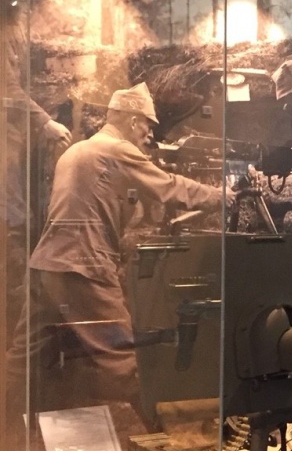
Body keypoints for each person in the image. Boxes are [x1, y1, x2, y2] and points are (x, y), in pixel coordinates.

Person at [12, 82, 225, 413]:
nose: (150, 134)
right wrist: (220, 196)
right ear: (132, 119)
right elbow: (168, 187)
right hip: (84, 266)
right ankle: (163, 433)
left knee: (21, 361)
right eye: (147, 125)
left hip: (46, 265)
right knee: (125, 359)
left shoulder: (77, 151)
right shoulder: (115, 149)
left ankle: (8, 430)